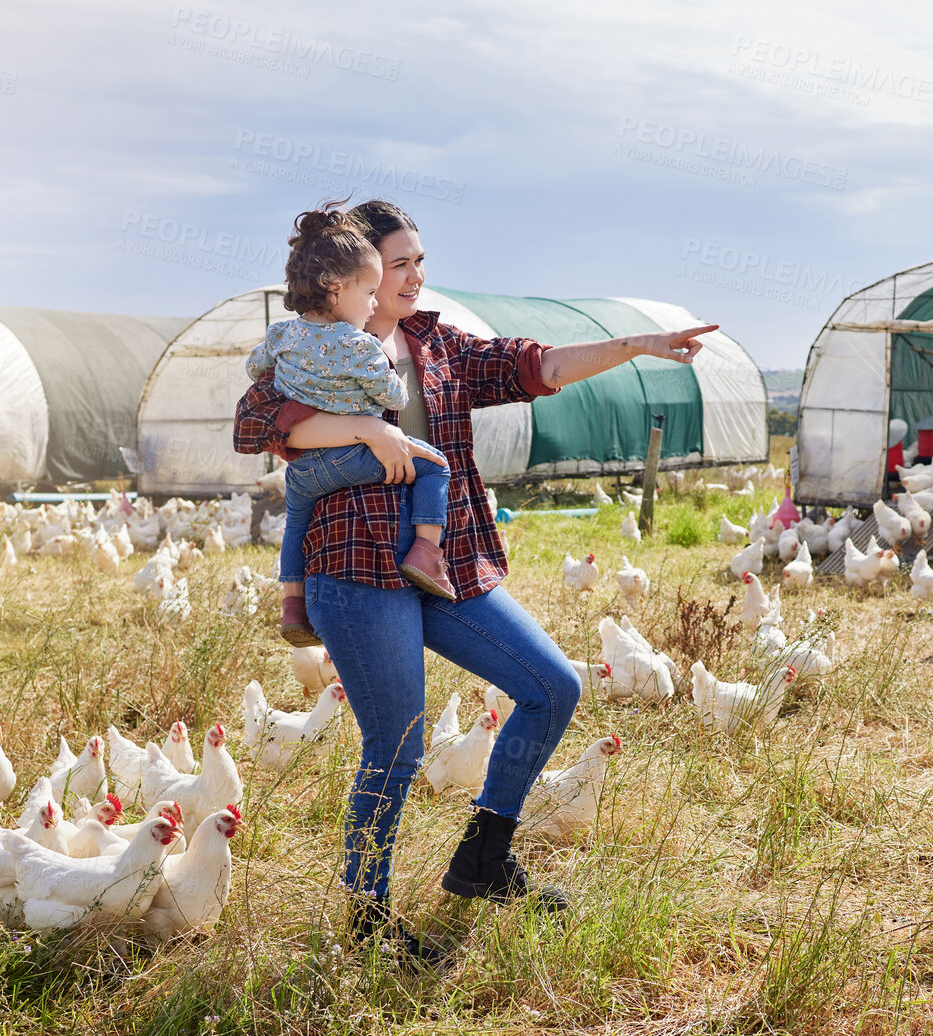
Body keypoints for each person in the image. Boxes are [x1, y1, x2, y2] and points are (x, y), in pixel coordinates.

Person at [233, 198, 714, 957]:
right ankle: (366, 918)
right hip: (357, 565)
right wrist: (366, 428)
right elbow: (256, 425)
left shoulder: (438, 345)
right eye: (400, 264)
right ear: (354, 272)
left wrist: (639, 345)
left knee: (553, 685)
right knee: (394, 743)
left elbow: (538, 366)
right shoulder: (314, 344)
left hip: (445, 563)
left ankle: (483, 856)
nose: (415, 275)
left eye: (420, 261)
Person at [250, 204, 456, 649]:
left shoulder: (281, 335)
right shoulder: (358, 344)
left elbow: (254, 367)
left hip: (304, 469)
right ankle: (426, 553)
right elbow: (393, 397)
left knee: (294, 525)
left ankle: (291, 603)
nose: (370, 304)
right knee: (435, 466)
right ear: (336, 288)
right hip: (349, 460)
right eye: (368, 293)